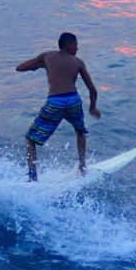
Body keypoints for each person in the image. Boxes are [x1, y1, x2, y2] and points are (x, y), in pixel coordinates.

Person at [16, 32, 101, 181]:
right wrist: (92, 107)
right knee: (80, 132)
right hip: (73, 101)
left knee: (30, 140)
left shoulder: (47, 56)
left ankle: (33, 176)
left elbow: (20, 68)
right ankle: (82, 166)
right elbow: (92, 90)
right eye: (76, 45)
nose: (77, 48)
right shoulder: (78, 62)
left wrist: (38, 65)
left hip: (55, 102)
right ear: (68, 45)